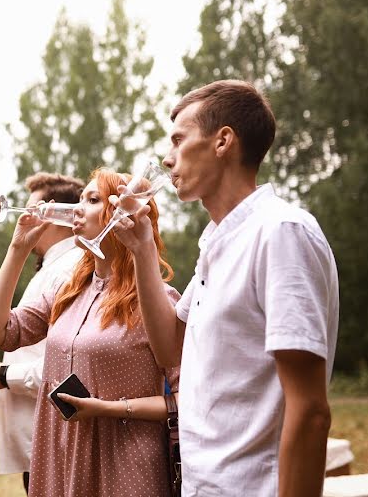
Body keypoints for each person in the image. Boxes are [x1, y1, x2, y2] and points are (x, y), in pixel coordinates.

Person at [115, 80, 339, 496]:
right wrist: (142, 249)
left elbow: (309, 412)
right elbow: (170, 350)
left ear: (222, 142)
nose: (167, 159)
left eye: (179, 140)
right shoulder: (215, 243)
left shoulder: (279, 232)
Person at [0, 167, 181, 497]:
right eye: (81, 199)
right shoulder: (67, 292)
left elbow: (187, 400)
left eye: (92, 199)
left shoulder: (158, 300)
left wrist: (107, 408)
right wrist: (18, 250)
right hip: (60, 455)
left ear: (122, 213)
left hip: (125, 464)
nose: (76, 209)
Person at [0, 172, 84, 493]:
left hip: (57, 438)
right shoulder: (50, 267)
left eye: (34, 207)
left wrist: (3, 375)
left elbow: (72, 366)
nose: (24, 215)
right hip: (39, 438)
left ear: (57, 213)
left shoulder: (73, 267)